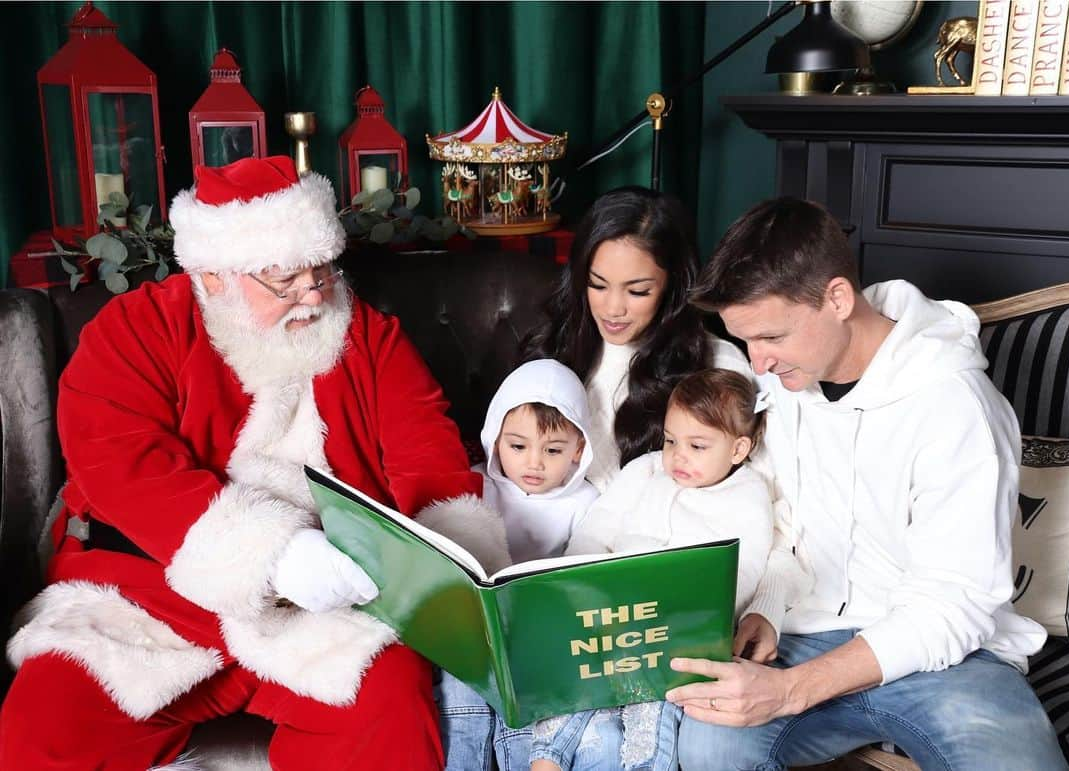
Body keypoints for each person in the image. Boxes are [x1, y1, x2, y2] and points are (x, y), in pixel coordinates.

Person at [0, 156, 485, 771]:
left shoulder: (368, 335)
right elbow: (117, 460)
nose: (313, 295)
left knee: (390, 704)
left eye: (322, 272)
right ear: (214, 278)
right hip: (148, 598)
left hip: (327, 607)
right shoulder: (136, 329)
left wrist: (437, 566)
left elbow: (430, 456)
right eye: (284, 281)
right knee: (46, 723)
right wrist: (271, 554)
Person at [667, 196, 1068, 771]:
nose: (757, 365)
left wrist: (792, 690)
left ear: (836, 298)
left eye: (772, 338)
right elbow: (779, 525)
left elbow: (954, 605)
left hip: (950, 656)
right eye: (746, 341)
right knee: (704, 745)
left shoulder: (956, 406)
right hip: (804, 633)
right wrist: (767, 612)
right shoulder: (786, 382)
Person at [529, 368, 777, 771]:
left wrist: (701, 611)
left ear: (738, 449)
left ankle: (642, 763)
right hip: (609, 606)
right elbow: (597, 529)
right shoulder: (644, 471)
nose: (677, 456)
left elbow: (745, 567)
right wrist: (577, 581)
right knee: (574, 671)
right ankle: (548, 755)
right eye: (670, 440)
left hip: (675, 626)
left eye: (697, 446)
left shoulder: (748, 496)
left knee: (660, 700)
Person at [520, 186, 753, 495]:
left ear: (673, 284)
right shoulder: (552, 348)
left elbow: (747, 489)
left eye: (638, 291)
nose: (613, 309)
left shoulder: (719, 365)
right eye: (598, 285)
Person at [434, 358, 600, 771]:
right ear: (495, 439)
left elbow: (588, 574)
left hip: (539, 636)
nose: (534, 464)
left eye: (554, 450)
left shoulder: (587, 504)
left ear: (579, 449)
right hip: (472, 631)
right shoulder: (477, 484)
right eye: (518, 446)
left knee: (526, 710)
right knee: (459, 688)